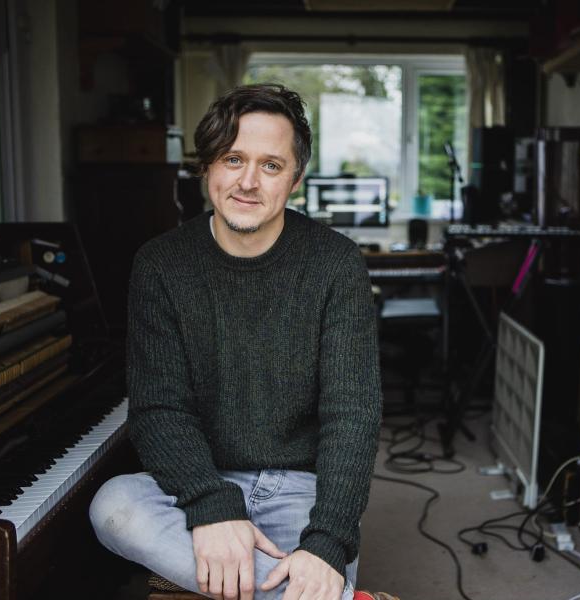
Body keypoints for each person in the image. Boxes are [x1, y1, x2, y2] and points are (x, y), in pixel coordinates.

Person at [89, 83, 382, 600]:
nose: (248, 182)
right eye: (232, 158)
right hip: (197, 475)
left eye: (271, 165)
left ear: (295, 179)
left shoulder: (335, 263)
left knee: (314, 565)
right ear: (207, 167)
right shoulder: (161, 264)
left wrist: (327, 542)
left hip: (299, 486)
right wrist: (211, 504)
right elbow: (158, 408)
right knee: (113, 506)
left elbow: (352, 415)